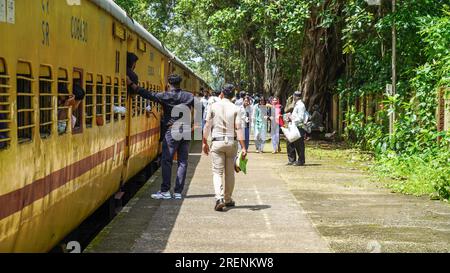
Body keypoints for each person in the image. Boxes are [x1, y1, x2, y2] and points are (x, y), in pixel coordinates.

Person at [128, 74, 194, 200]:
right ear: (180, 84)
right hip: (185, 130)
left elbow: (148, 94)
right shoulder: (189, 96)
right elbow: (199, 109)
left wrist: (131, 84)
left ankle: (165, 191)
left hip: (172, 130)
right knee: (183, 162)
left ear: (169, 84)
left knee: (167, 160)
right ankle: (178, 192)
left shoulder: (166, 95)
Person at [202, 84, 247, 211]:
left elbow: (207, 126)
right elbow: (238, 128)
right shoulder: (236, 108)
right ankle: (228, 199)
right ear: (233, 95)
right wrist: (243, 147)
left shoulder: (213, 106)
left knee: (217, 172)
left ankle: (219, 198)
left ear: (222, 92)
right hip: (231, 143)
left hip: (217, 142)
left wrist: (204, 142)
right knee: (229, 173)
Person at [286, 91, 306, 166]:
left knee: (299, 144)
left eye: (294, 96)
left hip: (298, 127)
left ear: (296, 96)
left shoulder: (301, 105)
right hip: (293, 126)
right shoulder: (296, 104)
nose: (293, 97)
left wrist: (292, 118)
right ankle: (291, 159)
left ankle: (301, 160)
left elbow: (300, 118)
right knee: (290, 142)